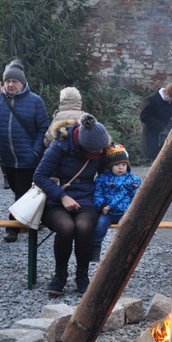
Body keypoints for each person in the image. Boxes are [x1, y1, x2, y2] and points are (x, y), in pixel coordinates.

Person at [34, 113, 111, 296]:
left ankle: (82, 276)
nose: (100, 154)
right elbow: (39, 176)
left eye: (102, 150)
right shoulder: (60, 146)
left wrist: (120, 162)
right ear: (83, 146)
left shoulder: (101, 147)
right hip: (56, 198)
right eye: (95, 152)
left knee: (83, 226)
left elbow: (110, 174)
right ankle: (60, 275)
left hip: (86, 198)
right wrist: (62, 197)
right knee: (66, 227)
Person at [0, 59, 49, 243]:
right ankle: (31, 218)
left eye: (15, 81)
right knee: (18, 190)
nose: (11, 84)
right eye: (8, 81)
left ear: (22, 82)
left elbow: (43, 128)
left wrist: (35, 150)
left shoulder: (35, 101)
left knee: (21, 190)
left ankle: (14, 227)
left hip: (28, 156)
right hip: (6, 156)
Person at [91, 143, 141, 262]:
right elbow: (98, 194)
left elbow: (137, 196)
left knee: (129, 228)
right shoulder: (102, 179)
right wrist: (102, 206)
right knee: (100, 226)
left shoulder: (132, 180)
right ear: (109, 166)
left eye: (123, 165)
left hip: (124, 211)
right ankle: (95, 247)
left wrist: (134, 190)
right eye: (117, 165)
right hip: (108, 211)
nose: (120, 168)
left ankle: (127, 249)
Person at [139, 83, 172, 160]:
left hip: (165, 134)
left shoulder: (170, 100)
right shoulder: (151, 100)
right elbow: (143, 116)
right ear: (166, 93)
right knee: (155, 160)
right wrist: (161, 125)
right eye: (171, 99)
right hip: (152, 136)